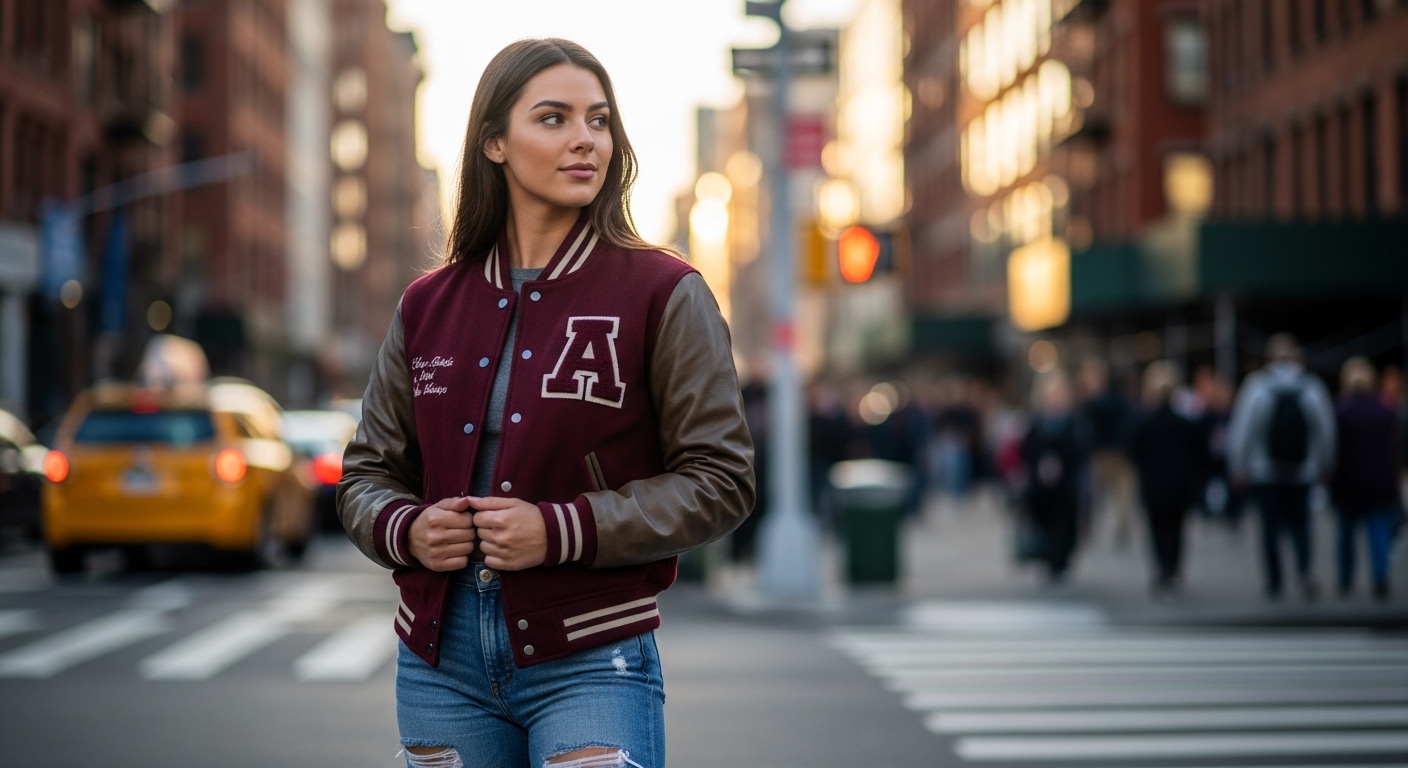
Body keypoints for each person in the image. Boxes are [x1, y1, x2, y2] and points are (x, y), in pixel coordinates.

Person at [337, 40, 755, 768]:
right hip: (440, 660)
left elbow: (722, 480)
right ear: (494, 142)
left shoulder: (663, 291)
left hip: (592, 650)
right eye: (554, 119)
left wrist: (561, 530)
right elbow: (365, 475)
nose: (585, 139)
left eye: (598, 120)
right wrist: (407, 530)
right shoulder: (427, 303)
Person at [1227, 334, 1336, 601]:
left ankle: (1274, 581)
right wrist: (1325, 464)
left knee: (1269, 529)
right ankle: (1304, 572)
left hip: (1265, 471)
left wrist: (1238, 465)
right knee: (1302, 526)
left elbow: (1243, 430)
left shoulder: (1257, 386)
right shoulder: (1311, 386)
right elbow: (1325, 430)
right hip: (1302, 471)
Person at [1128, 361, 1207, 595]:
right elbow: (1200, 453)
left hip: (1154, 485)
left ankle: (1162, 569)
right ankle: (1172, 569)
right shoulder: (1186, 423)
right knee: (1178, 528)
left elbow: (1134, 453)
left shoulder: (1143, 423)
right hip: (1180, 485)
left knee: (1156, 529)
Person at [1331, 357, 1401, 601]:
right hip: (1379, 480)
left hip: (1348, 481)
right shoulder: (1384, 411)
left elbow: (1333, 450)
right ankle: (1380, 578)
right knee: (1378, 533)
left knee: (1346, 535)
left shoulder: (1341, 411)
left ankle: (1345, 581)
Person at [1021, 371, 1091, 582]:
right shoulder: (1038, 420)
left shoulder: (1074, 421)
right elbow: (1027, 447)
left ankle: (1060, 563)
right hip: (1042, 486)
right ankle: (1049, 560)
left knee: (1065, 526)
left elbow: (1081, 449)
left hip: (1066, 484)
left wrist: (1061, 464)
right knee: (1046, 524)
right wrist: (1041, 463)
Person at [1077, 357, 1136, 546]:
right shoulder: (1093, 400)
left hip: (1114, 455)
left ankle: (1120, 531)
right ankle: (1093, 531)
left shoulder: (1100, 401)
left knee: (1119, 498)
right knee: (1097, 498)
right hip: (1101, 455)